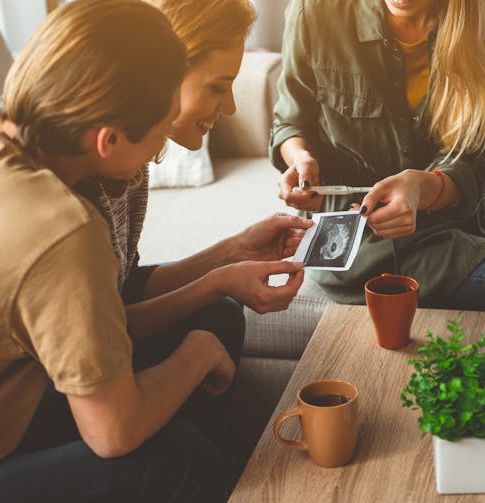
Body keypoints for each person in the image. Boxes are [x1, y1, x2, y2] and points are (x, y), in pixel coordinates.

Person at [0, 2, 306, 502]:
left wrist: (226, 261)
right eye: (160, 122)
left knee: (213, 318)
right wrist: (197, 356)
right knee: (179, 458)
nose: (158, 146)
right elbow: (114, 432)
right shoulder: (60, 229)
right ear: (108, 141)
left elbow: (92, 314)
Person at [70, 0, 313, 479]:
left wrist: (233, 251)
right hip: (65, 378)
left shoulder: (134, 166)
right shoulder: (79, 192)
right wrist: (217, 281)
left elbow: (120, 293)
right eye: (217, 86)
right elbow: (100, 333)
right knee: (213, 315)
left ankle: (220, 471)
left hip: (95, 343)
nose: (231, 106)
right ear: (161, 74)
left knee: (220, 315)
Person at [271, 0, 485, 314]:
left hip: (452, 222)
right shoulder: (315, 10)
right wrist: (300, 157)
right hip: (353, 237)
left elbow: (475, 160)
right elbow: (291, 122)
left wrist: (422, 189)